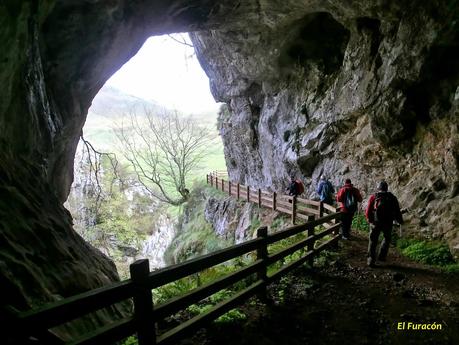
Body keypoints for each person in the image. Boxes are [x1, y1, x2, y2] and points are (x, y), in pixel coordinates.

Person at [365, 180, 403, 267]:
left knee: (373, 240)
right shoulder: (392, 197)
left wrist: (369, 219)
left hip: (375, 222)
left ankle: (371, 259)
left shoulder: (374, 197)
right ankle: (382, 256)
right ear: (386, 188)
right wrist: (400, 220)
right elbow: (397, 211)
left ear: (378, 188)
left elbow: (368, 210)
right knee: (387, 238)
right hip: (388, 223)